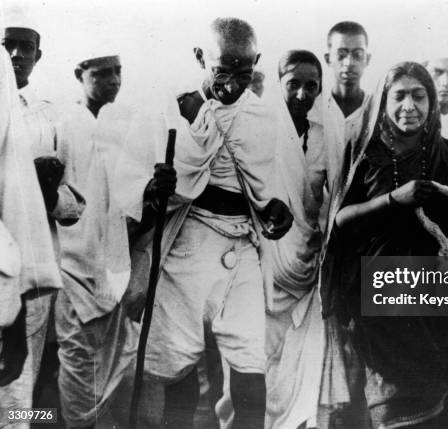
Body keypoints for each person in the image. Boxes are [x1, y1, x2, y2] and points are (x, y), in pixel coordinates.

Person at [115, 17, 293, 429]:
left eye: (244, 74)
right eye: (221, 72)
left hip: (243, 249)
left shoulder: (265, 115)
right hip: (187, 244)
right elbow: (133, 182)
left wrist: (276, 211)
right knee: (176, 364)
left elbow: (270, 188)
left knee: (251, 362)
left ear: (257, 63)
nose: (231, 85)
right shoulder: (169, 108)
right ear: (200, 57)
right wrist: (154, 189)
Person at [320, 61, 448, 428]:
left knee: (441, 410)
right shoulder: (364, 153)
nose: (408, 105)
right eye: (398, 96)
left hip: (438, 307)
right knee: (396, 410)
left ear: (431, 102)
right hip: (381, 304)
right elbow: (340, 221)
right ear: (383, 100)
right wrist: (394, 199)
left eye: (418, 95)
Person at [0, 19, 83, 425]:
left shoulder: (51, 118)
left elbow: (74, 204)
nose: (16, 55)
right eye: (6, 45)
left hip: (30, 265)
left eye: (25, 47)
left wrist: (45, 193)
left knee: (19, 386)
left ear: (38, 55)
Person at [54, 52, 136, 429]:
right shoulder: (63, 122)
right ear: (79, 74)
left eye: (118, 71)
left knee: (117, 364)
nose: (113, 81)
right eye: (102, 73)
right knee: (78, 366)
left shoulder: (120, 126)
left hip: (113, 268)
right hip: (72, 267)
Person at [265, 50, 330, 429]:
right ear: (279, 84)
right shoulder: (261, 128)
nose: (303, 94)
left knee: (302, 367)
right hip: (268, 263)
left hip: (310, 266)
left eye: (311, 86)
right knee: (259, 362)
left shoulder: (326, 136)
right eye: (293, 84)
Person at [323, 21, 372, 165]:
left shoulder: (377, 109)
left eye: (357, 55)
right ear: (328, 59)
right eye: (341, 54)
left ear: (367, 59)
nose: (349, 62)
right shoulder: (315, 109)